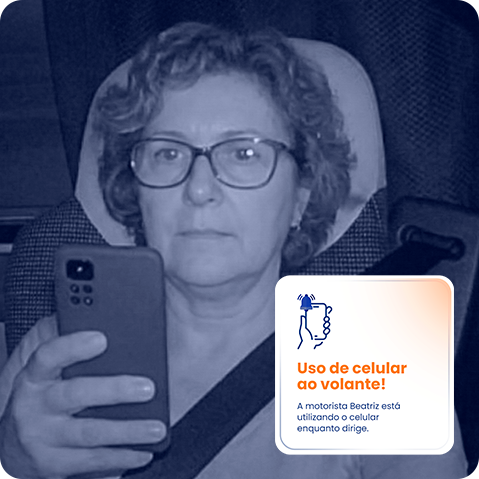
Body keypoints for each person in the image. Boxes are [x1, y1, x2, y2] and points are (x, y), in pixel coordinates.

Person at [0, 22, 467, 478]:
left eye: (244, 153)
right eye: (168, 153)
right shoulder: (53, 357)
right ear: (136, 193)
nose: (199, 189)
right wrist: (12, 464)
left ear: (300, 197)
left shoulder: (377, 361)